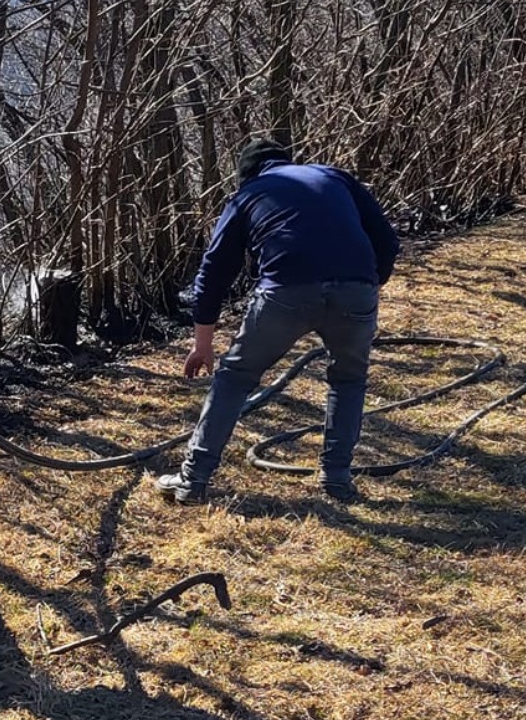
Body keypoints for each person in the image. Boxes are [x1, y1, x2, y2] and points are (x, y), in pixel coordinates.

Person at [158, 138, 400, 505]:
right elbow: (387, 241)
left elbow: (214, 270)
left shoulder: (247, 195)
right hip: (357, 290)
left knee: (235, 378)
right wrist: (364, 288)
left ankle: (193, 481)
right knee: (349, 380)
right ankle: (336, 479)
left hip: (285, 293)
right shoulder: (335, 177)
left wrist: (203, 343)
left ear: (246, 175)